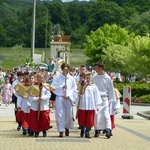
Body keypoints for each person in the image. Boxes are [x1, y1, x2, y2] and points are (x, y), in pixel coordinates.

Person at [51, 63, 78, 137]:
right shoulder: (57, 77)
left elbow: (74, 89)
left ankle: (67, 127)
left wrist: (69, 95)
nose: (66, 71)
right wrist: (61, 87)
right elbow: (53, 87)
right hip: (60, 97)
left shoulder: (71, 78)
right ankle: (61, 130)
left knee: (68, 114)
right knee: (59, 114)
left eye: (67, 70)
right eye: (64, 69)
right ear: (62, 69)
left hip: (68, 98)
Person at [26, 72, 55, 137]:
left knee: (44, 118)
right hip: (35, 106)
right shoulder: (33, 87)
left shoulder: (46, 86)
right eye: (40, 78)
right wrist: (36, 99)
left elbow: (49, 95)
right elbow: (30, 96)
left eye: (43, 78)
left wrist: (42, 98)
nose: (42, 79)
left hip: (44, 106)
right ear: (37, 78)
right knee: (36, 120)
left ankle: (44, 130)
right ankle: (36, 131)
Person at [93, 62, 116, 138]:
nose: (95, 69)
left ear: (100, 68)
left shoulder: (107, 78)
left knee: (106, 114)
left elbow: (110, 89)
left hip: (104, 98)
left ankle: (108, 129)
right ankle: (97, 130)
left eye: (96, 68)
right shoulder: (94, 77)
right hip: (97, 98)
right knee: (97, 115)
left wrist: (110, 100)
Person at [77, 72, 102, 138]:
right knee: (82, 119)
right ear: (85, 78)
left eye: (89, 78)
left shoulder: (94, 87)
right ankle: (82, 129)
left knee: (90, 120)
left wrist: (97, 105)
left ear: (91, 79)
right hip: (83, 105)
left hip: (91, 105)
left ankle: (87, 132)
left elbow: (96, 96)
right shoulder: (82, 85)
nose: (88, 79)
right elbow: (79, 93)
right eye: (87, 78)